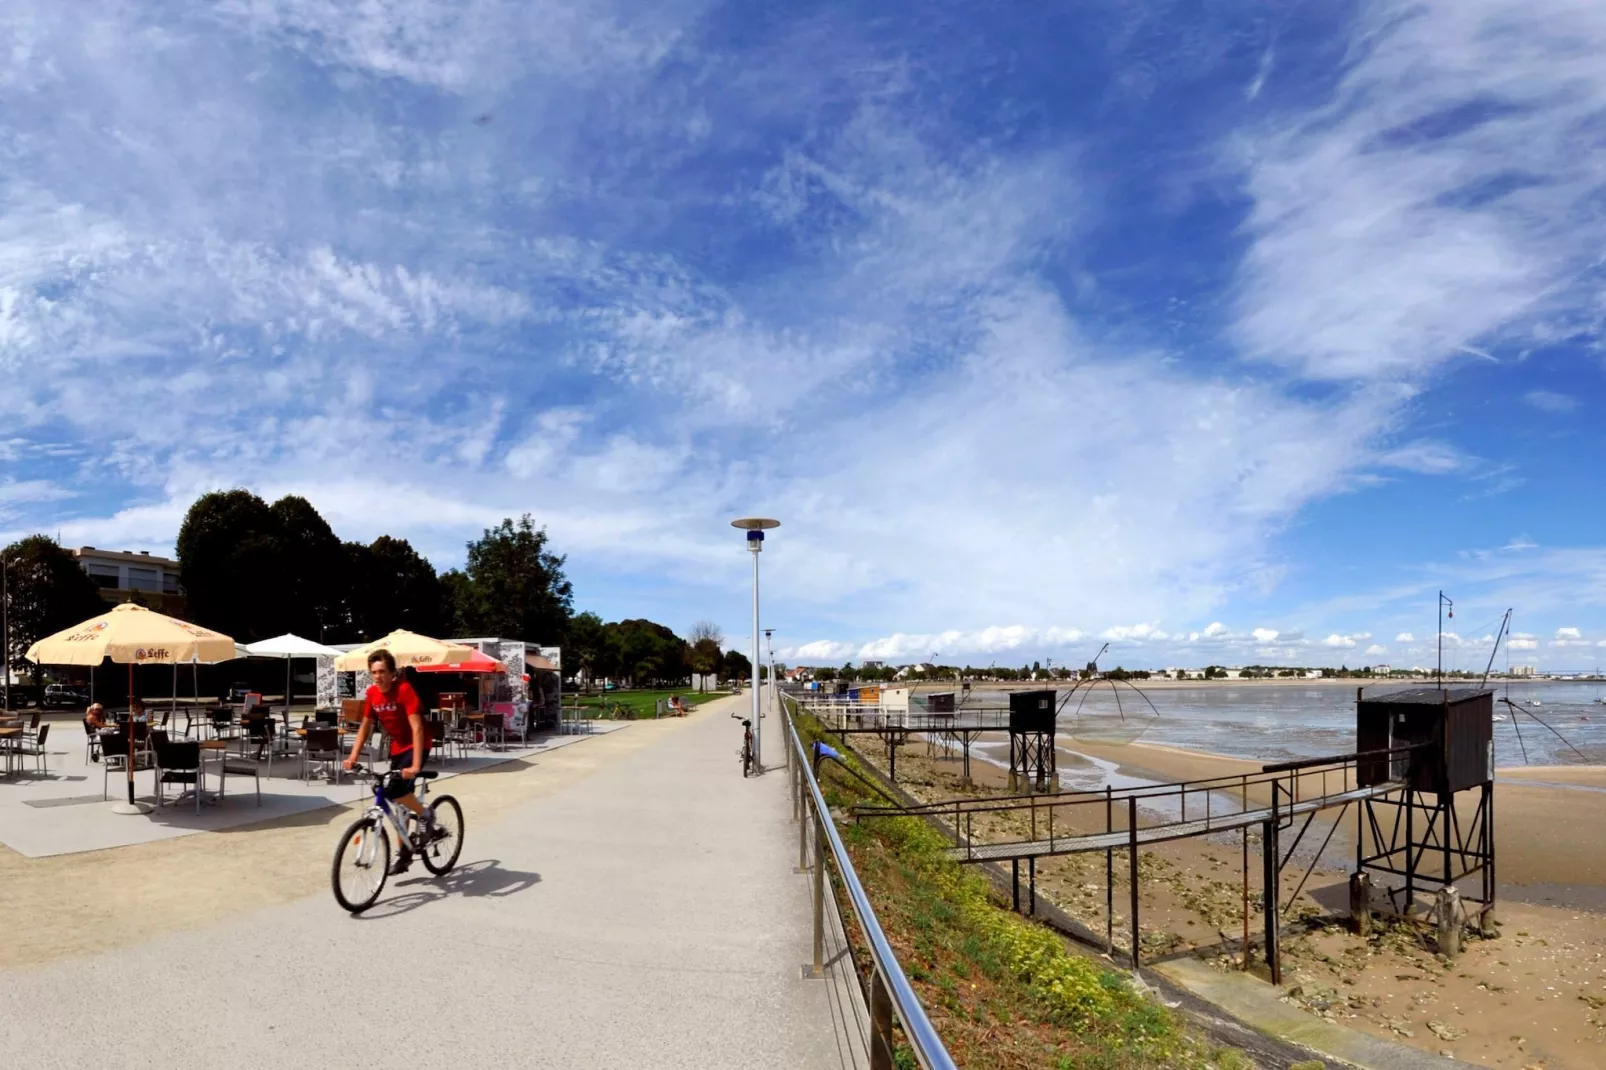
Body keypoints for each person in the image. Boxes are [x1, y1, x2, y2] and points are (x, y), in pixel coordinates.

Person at [343, 650, 444, 875]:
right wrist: (352, 757)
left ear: (392, 673)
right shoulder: (371, 693)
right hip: (398, 747)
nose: (377, 676)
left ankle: (426, 815)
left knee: (396, 789)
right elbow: (365, 726)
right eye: (373, 672)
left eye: (382, 672)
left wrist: (416, 765)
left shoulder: (404, 690)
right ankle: (405, 854)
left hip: (418, 744)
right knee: (397, 801)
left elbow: (417, 727)